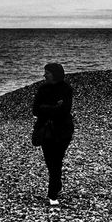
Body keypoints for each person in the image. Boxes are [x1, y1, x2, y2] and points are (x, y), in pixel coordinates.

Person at [32, 62, 74, 206]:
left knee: (57, 160)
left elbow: (65, 111)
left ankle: (53, 193)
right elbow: (35, 110)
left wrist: (48, 109)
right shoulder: (42, 89)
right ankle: (56, 185)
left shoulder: (66, 89)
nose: (44, 75)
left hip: (63, 131)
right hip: (46, 130)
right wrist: (55, 107)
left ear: (55, 74)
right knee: (51, 162)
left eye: (47, 73)